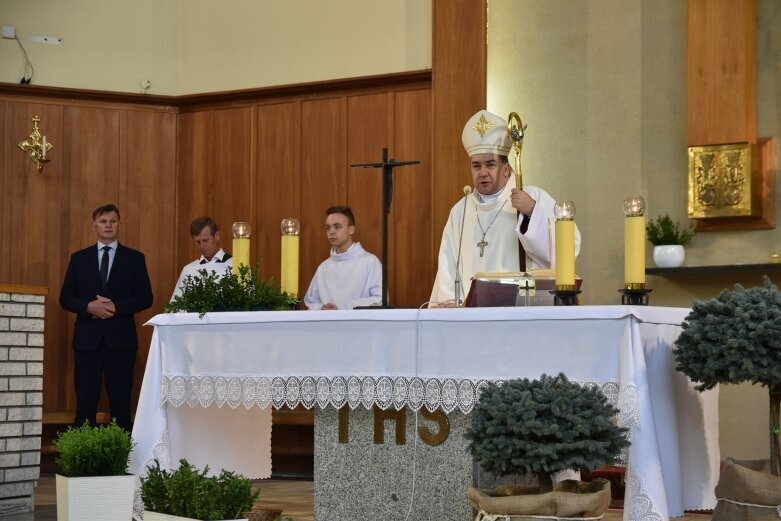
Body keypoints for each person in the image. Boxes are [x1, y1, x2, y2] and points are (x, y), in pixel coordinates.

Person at [429, 109, 581, 306]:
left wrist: (532, 212)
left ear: (506, 169)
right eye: (476, 166)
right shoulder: (460, 210)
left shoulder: (533, 197)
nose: (482, 172)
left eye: (490, 165)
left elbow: (568, 247)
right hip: (471, 318)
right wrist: (451, 305)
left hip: (521, 312)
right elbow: (447, 268)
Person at [59, 203, 153, 432]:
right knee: (85, 404)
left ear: (119, 225)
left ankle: (124, 461)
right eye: (103, 221)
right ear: (93, 226)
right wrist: (89, 307)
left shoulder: (135, 258)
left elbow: (146, 298)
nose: (108, 225)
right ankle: (80, 462)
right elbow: (66, 297)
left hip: (121, 342)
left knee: (121, 404)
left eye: (112, 221)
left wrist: (115, 307)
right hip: (87, 341)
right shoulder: (79, 259)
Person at [304, 206, 382, 310]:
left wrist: (342, 307)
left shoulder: (370, 262)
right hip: (328, 324)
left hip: (359, 324)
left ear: (351, 229)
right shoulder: (324, 267)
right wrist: (322, 308)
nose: (331, 231)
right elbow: (311, 301)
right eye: (328, 228)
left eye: (337, 227)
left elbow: (379, 299)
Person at [170, 216, 233, 301]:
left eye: (205, 240)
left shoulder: (235, 265)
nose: (202, 246)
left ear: (217, 236)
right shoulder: (188, 270)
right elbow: (175, 306)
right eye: (198, 242)